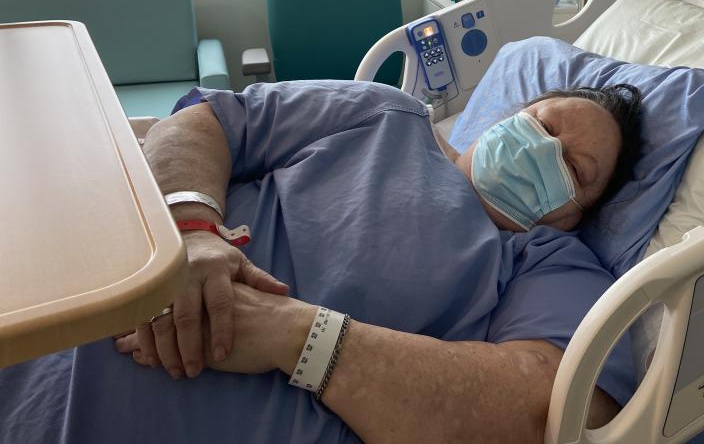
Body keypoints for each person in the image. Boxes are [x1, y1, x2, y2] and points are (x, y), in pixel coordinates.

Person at [0, 79, 641, 444]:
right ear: (510, 115)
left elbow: (550, 403)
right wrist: (192, 230)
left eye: (574, 169)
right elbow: (204, 124)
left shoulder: (548, 263)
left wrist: (295, 336)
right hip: (50, 344)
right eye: (544, 124)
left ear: (578, 211)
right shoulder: (383, 114)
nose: (544, 152)